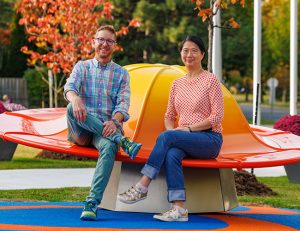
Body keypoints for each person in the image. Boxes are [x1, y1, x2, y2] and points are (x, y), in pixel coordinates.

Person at [117, 35, 224, 222]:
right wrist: (173, 131)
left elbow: (216, 117)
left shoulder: (210, 80)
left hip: (209, 139)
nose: (189, 54)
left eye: (194, 51)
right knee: (172, 153)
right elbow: (169, 116)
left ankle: (142, 186)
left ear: (202, 55)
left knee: (167, 138)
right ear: (181, 54)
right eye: (185, 50)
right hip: (183, 139)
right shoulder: (176, 84)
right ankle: (179, 208)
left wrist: (187, 130)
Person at [64, 25, 141, 221]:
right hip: (81, 129)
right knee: (72, 107)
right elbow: (70, 88)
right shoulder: (82, 67)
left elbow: (123, 104)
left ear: (114, 45)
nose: (104, 44)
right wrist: (75, 98)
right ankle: (121, 140)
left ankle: (92, 203)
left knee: (108, 147)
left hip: (105, 131)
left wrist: (115, 121)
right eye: (101, 39)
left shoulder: (122, 74)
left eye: (109, 41)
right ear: (93, 42)